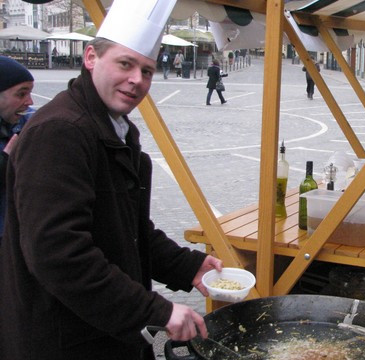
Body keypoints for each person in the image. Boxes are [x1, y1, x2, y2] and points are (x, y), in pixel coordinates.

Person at [0, 1, 223, 359]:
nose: (137, 80)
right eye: (125, 63)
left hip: (104, 335)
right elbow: (58, 254)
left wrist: (188, 265)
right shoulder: (60, 131)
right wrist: (157, 311)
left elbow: (129, 227)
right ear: (91, 57)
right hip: (63, 339)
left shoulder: (114, 127)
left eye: (147, 70)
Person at [0, 56, 34, 245]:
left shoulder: (28, 124)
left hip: (18, 235)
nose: (29, 101)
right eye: (21, 94)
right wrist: (7, 158)